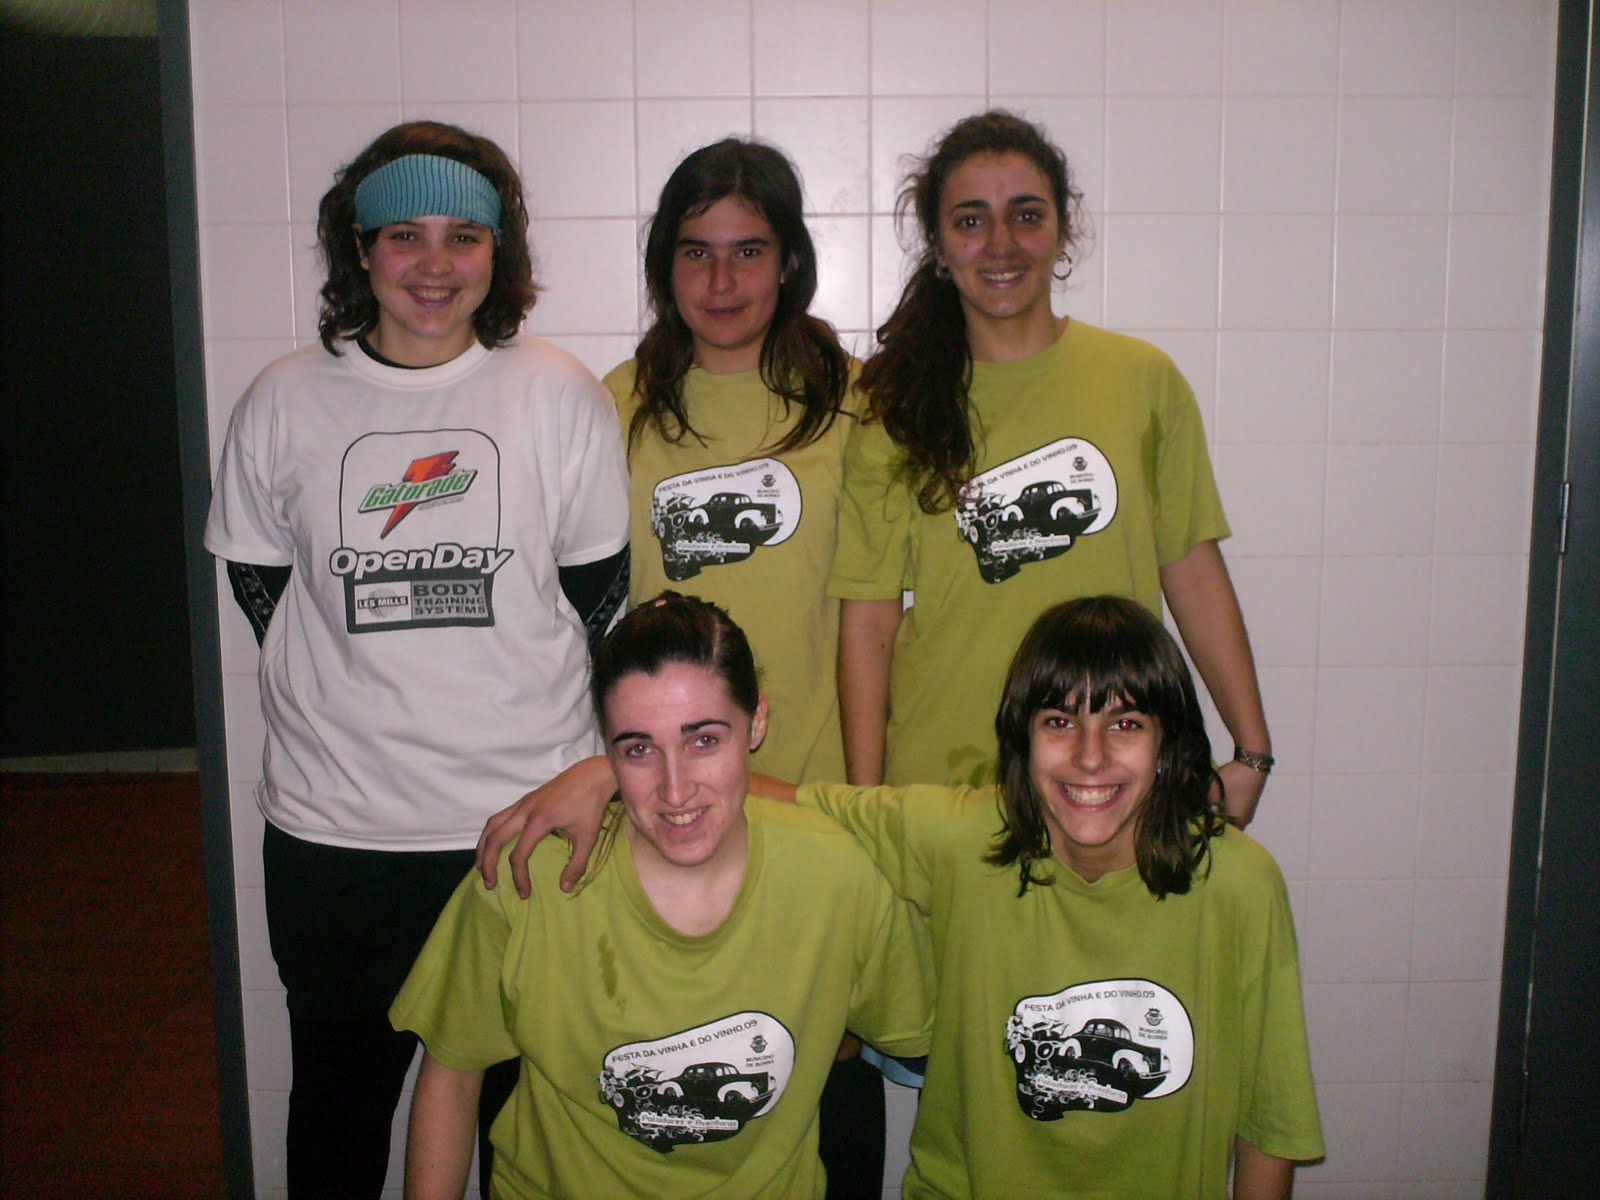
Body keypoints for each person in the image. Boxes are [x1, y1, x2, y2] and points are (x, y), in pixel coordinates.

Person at [474, 596, 1324, 1198]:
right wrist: (608, 771)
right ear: (1020, 741)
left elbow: (1271, 1119)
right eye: (1059, 723)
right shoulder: (967, 838)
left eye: (1126, 724)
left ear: (1172, 743)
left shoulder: (1238, 887)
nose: (1091, 757)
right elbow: (786, 797)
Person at [204, 120, 630, 1197]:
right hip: (336, 837)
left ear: (498, 252)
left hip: (519, 829)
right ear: (360, 250)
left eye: (463, 237)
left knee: (522, 1126)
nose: (434, 265)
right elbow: (261, 583)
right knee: (339, 1108)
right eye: (404, 235)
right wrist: (354, 684)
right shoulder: (284, 399)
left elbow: (598, 598)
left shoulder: (558, 393)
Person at [545, 136, 885, 1194]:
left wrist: (863, 806)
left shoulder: (856, 402)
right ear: (664, 264)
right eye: (696, 252)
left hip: (811, 796)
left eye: (749, 251)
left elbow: (872, 616)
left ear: (790, 262)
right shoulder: (614, 403)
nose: (723, 280)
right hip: (668, 796)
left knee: (828, 1054)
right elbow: (580, 611)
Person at [392, 593, 930, 1199]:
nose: (676, 792)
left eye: (703, 741)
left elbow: (927, 1041)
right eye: (639, 750)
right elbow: (452, 1074)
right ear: (607, 752)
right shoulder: (528, 879)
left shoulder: (837, 877)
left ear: (756, 723)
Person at [834, 109, 1275, 829]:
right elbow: (869, 619)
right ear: (939, 245)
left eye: (1026, 215)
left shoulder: (1142, 381)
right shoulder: (896, 405)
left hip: (1109, 774)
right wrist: (866, 806)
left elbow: (1192, 571)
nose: (1001, 244)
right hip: (945, 781)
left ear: (1062, 230)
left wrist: (1252, 751)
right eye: (971, 220)